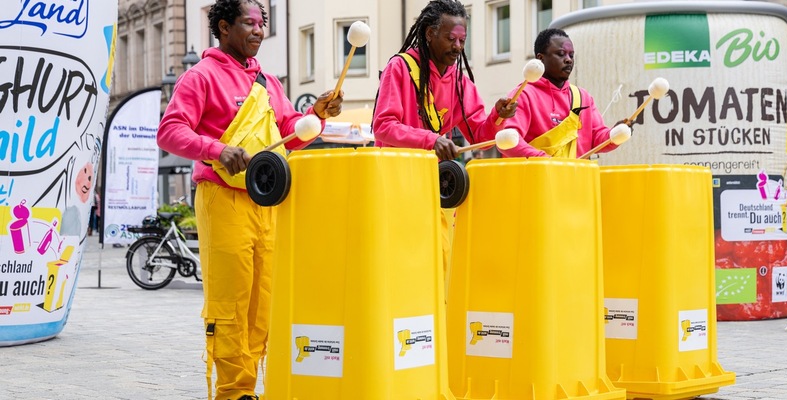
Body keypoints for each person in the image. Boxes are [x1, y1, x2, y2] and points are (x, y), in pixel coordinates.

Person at [156, 1, 342, 399]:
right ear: (224, 27)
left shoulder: (268, 82)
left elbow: (292, 131)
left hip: (266, 202)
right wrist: (217, 149)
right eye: (249, 23)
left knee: (264, 303)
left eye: (262, 23)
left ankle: (251, 386)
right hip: (222, 198)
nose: (258, 30)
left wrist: (317, 114)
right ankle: (233, 391)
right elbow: (169, 132)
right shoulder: (200, 76)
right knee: (231, 300)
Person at [371, 0, 516, 288]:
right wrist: (431, 139)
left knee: (438, 262)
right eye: (451, 39)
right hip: (394, 184)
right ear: (429, 34)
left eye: (462, 40)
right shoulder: (400, 67)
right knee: (398, 265)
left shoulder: (460, 82)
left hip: (432, 187)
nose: (458, 46)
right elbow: (383, 126)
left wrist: (498, 116)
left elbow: (479, 137)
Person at [499, 28, 627, 158]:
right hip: (536, 171)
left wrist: (614, 135)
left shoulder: (583, 97)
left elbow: (596, 138)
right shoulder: (523, 95)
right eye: (561, 54)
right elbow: (509, 142)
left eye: (571, 55)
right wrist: (546, 161)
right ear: (540, 58)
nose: (568, 60)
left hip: (577, 172)